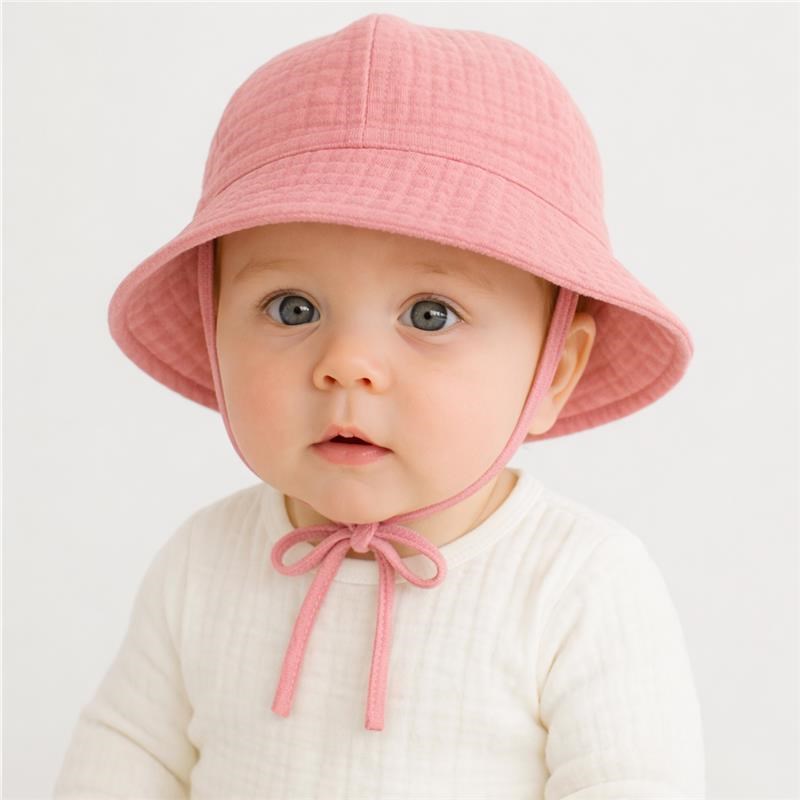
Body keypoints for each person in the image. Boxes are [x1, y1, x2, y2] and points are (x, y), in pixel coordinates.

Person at [53, 12, 706, 799]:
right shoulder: (203, 560)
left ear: (554, 372)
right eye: (292, 308)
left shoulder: (578, 583)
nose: (346, 365)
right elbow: (128, 751)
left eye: (430, 314)